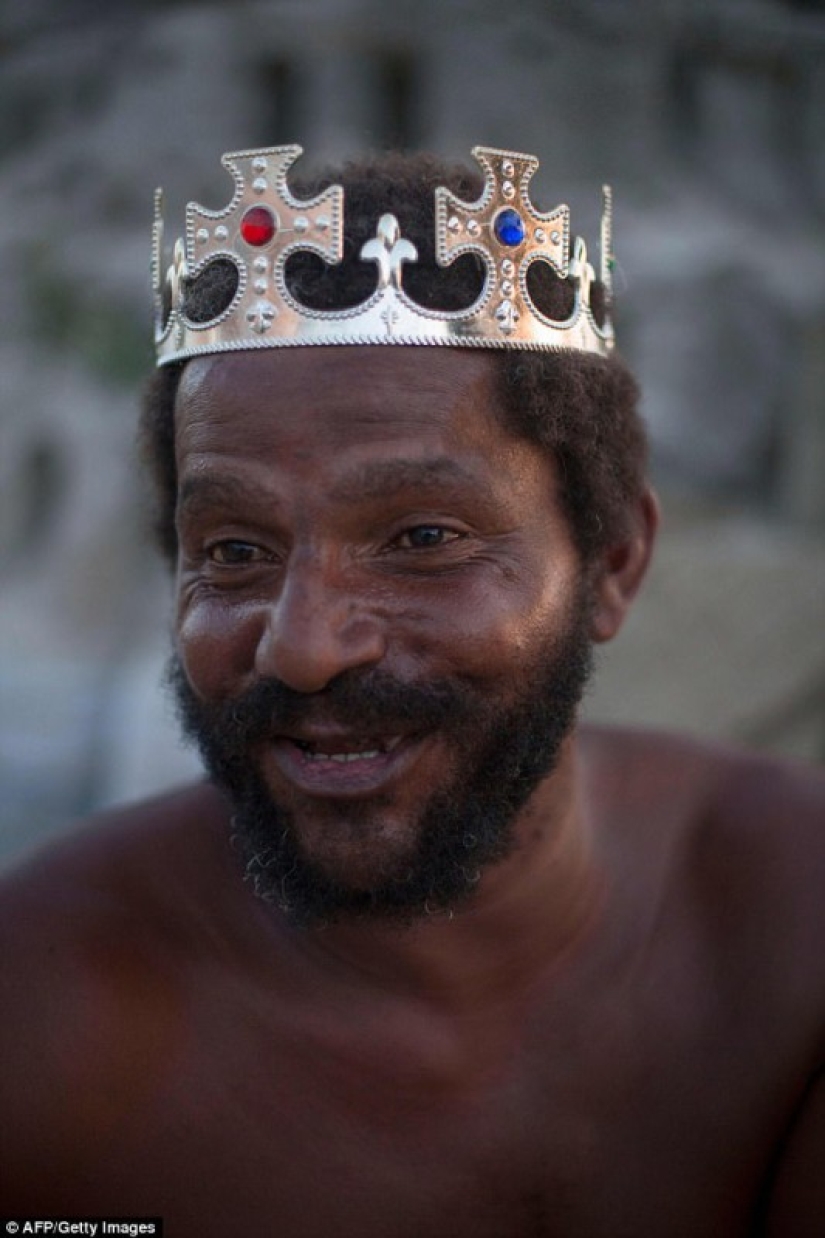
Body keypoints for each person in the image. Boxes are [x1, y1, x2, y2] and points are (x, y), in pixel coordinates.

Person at [1, 144, 823, 1237]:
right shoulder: (42, 1021)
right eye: (235, 548)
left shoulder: (793, 928)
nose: (302, 647)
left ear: (615, 558)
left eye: (423, 537)